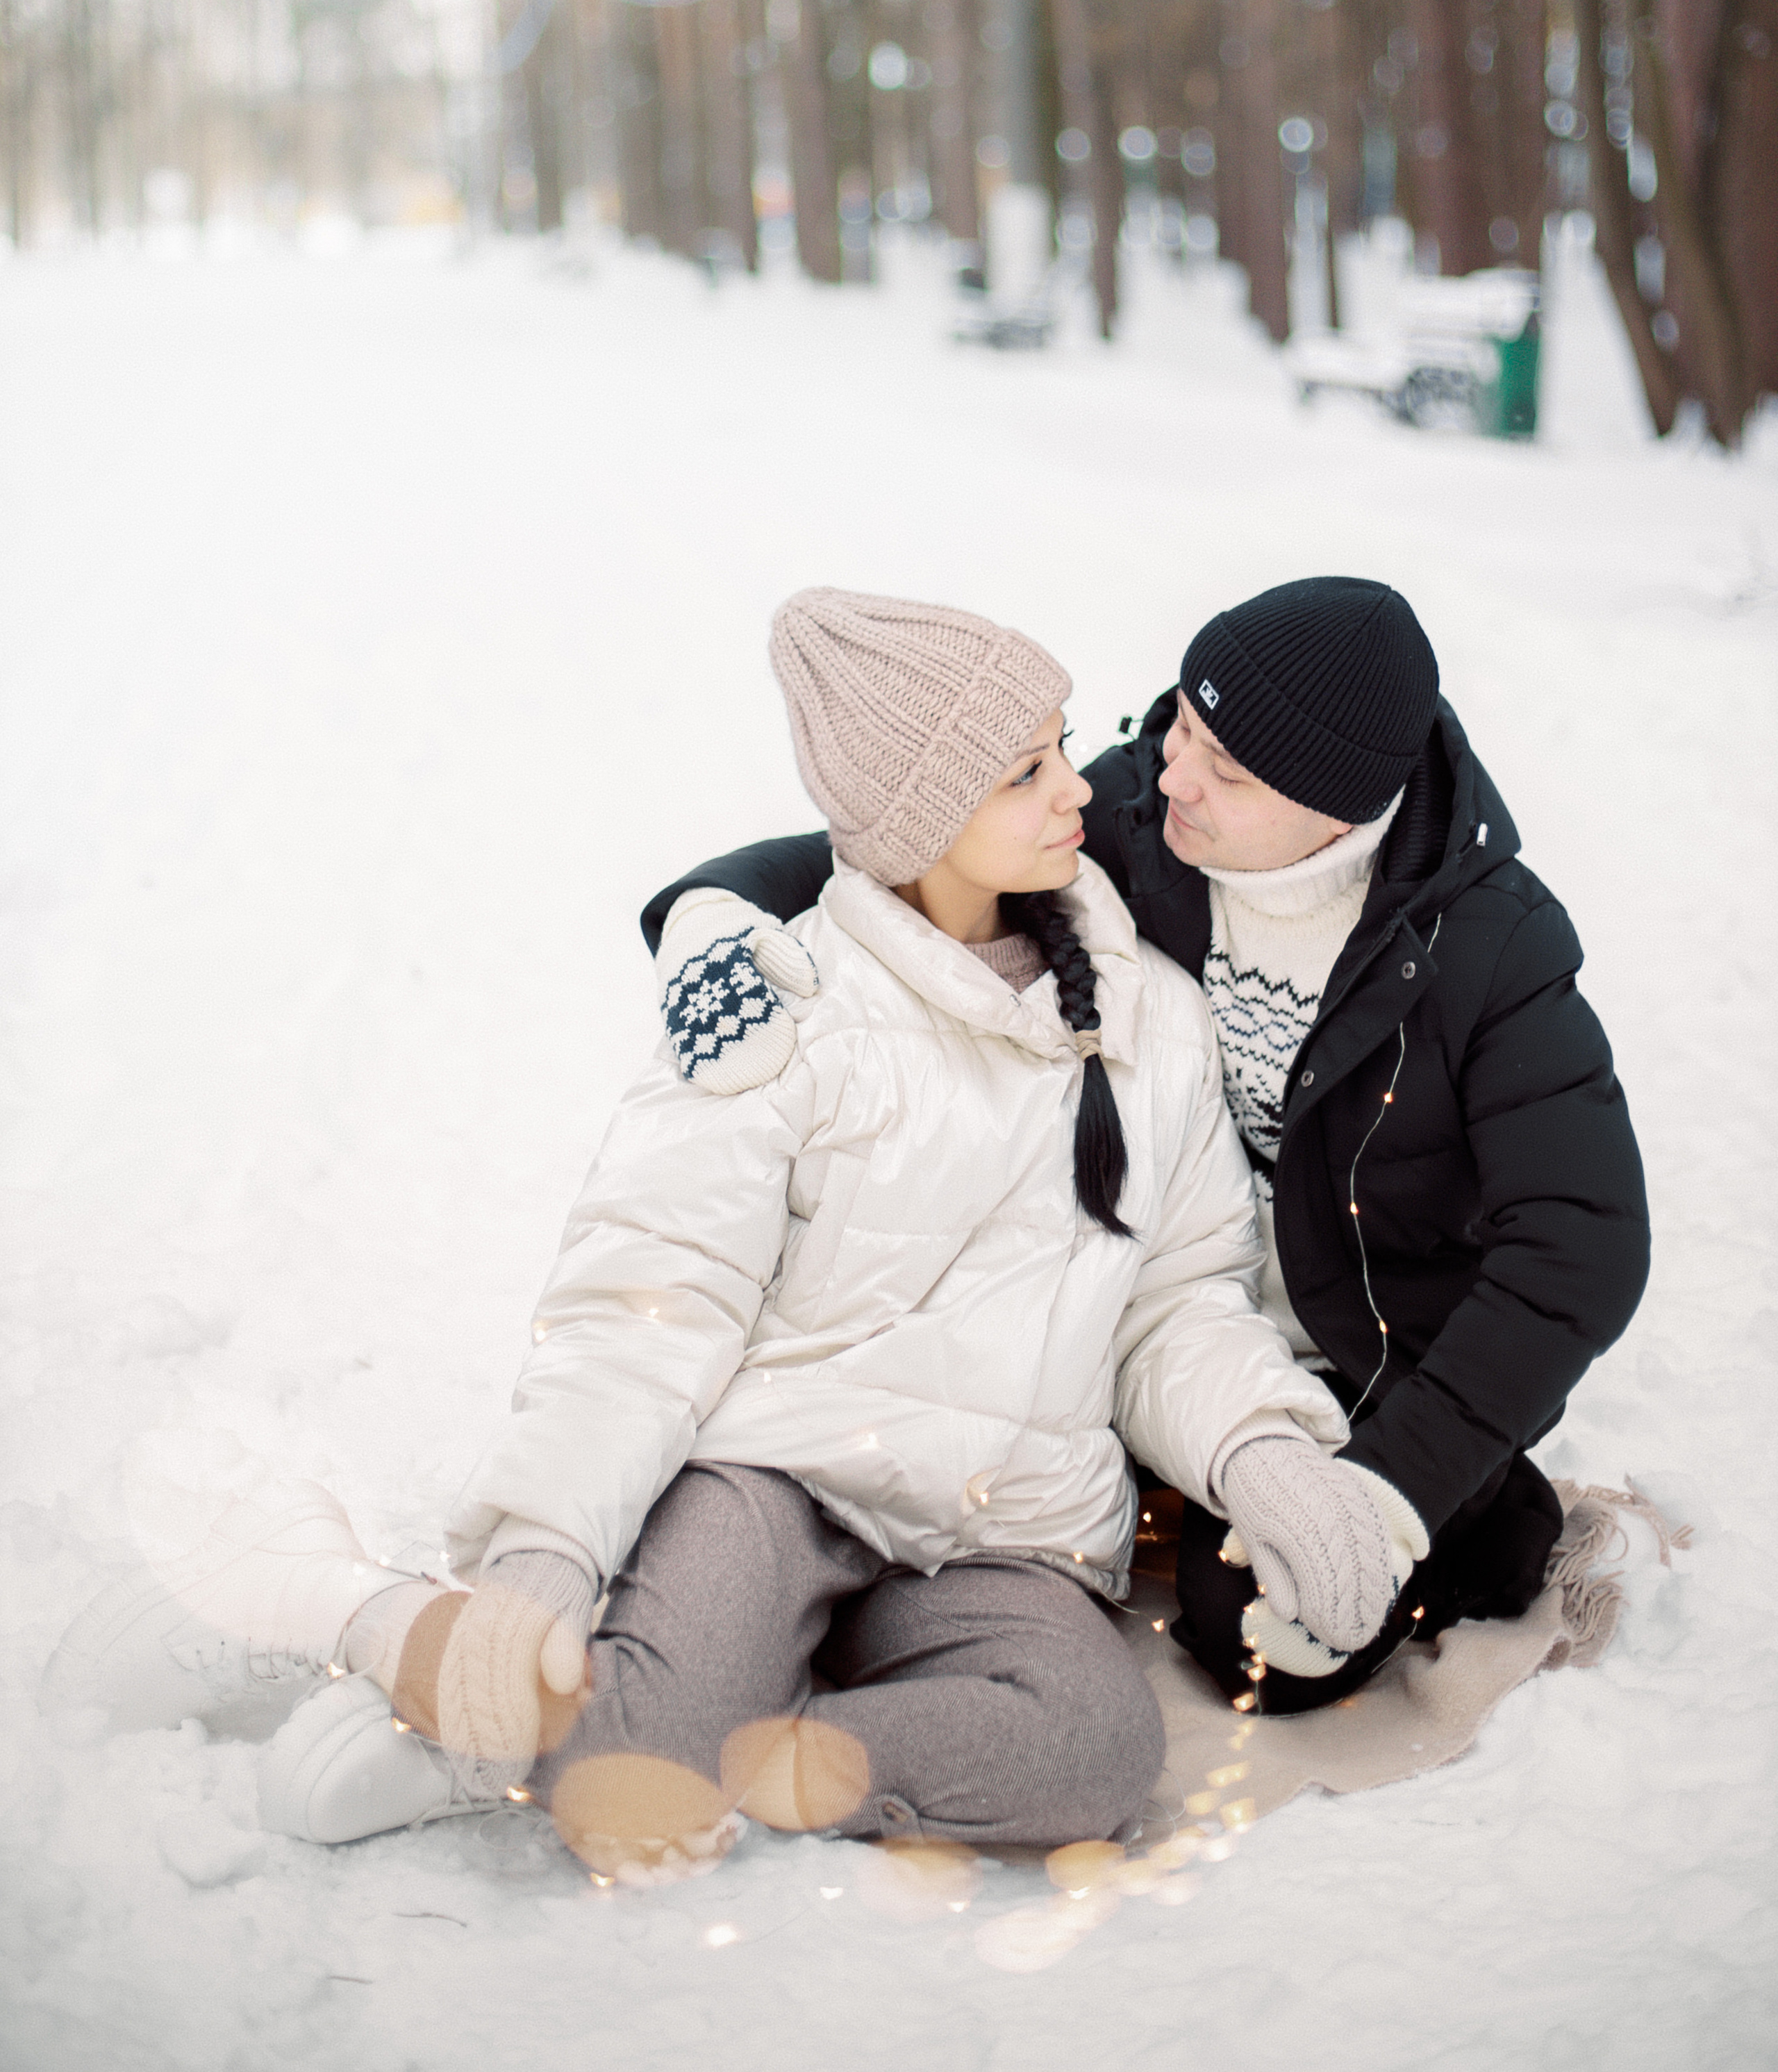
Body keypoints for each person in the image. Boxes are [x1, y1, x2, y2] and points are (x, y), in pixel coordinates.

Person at [48, 589, 1418, 1869]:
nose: (1084, 787)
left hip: (999, 1527)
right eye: (1025, 770)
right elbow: (651, 1297)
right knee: (632, 1736)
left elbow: (1177, 1303)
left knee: (1092, 1755)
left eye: (1060, 747)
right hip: (781, 1478)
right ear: (918, 811)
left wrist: (1264, 1457)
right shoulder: (781, 1011)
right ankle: (344, 1608)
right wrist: (544, 1549)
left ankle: (675, 1747)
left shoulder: (1149, 1020)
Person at [637, 576, 1652, 1711]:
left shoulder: (1491, 948)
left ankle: (1478, 1513)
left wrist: (1391, 1489)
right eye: (1183, 727)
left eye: (1227, 770)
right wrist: (713, 912)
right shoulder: (1142, 820)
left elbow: (1583, 1247)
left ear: (1342, 808)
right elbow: (923, 836)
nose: (1173, 773)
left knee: (1250, 1646)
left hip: (1362, 1364)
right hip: (1155, 1308)